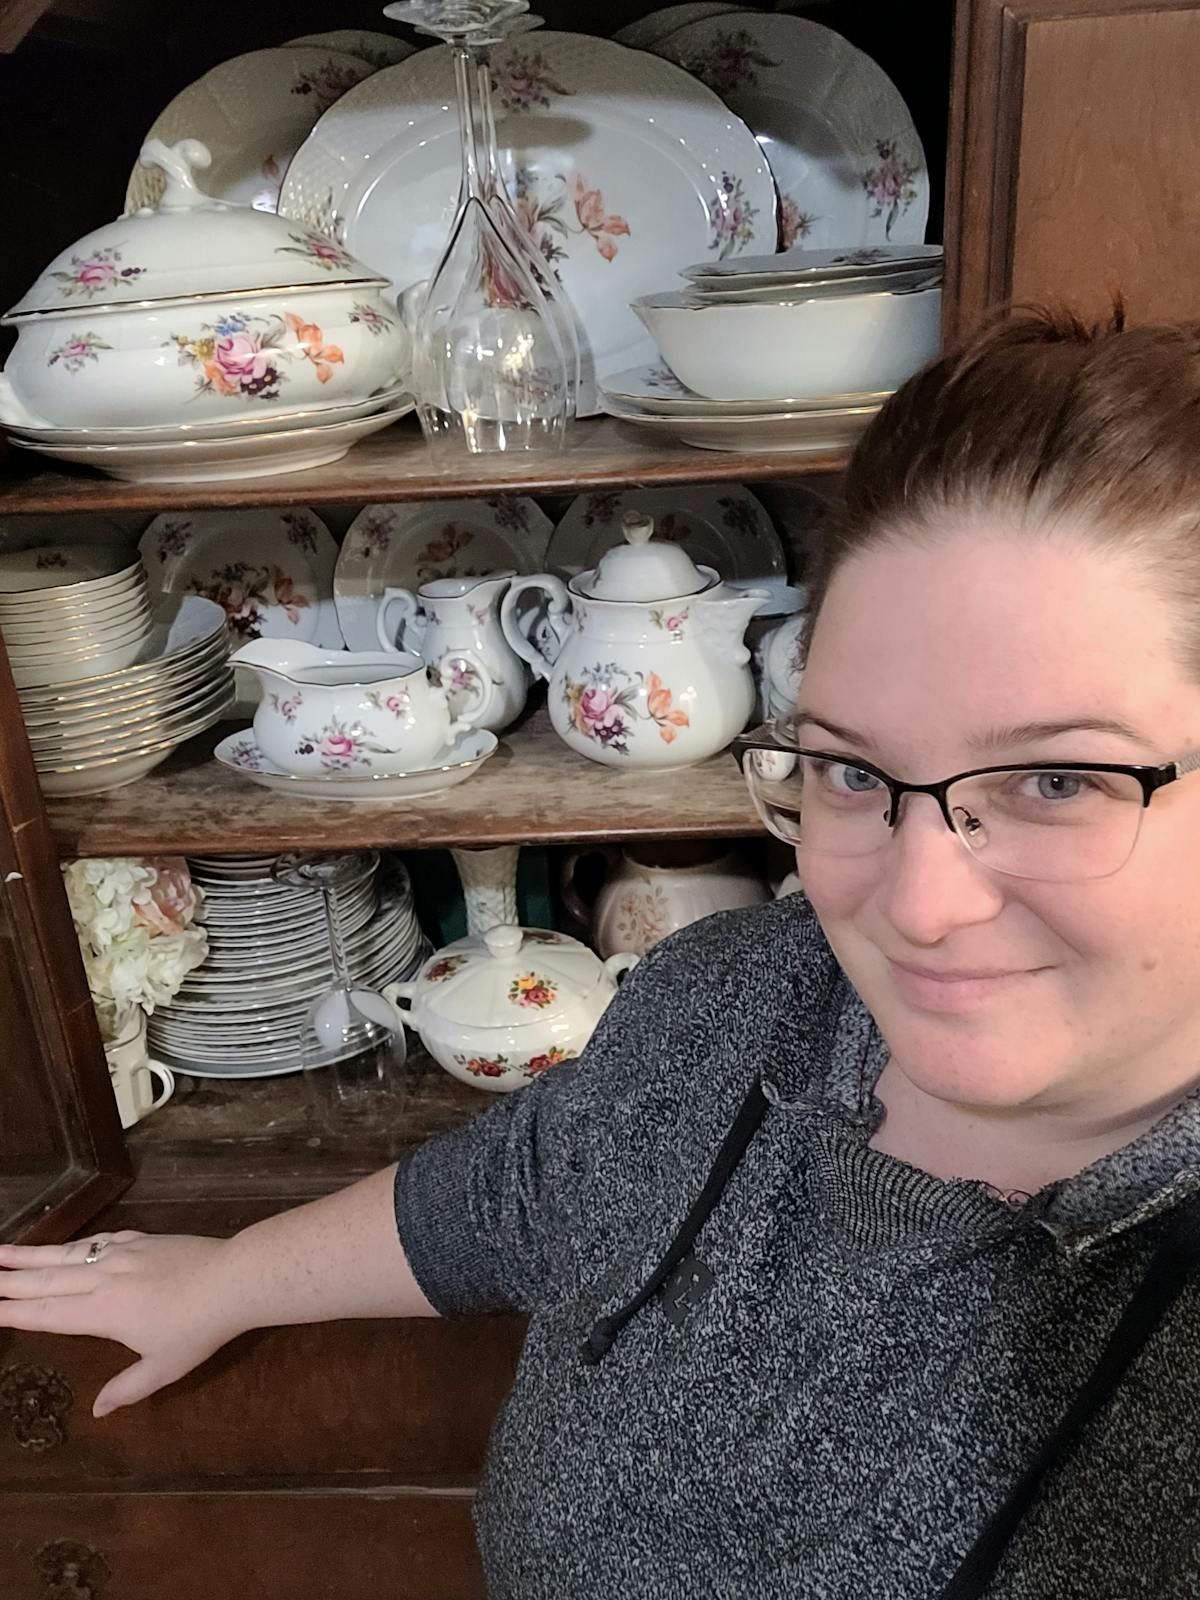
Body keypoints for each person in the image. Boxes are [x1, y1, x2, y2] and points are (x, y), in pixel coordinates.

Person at [4, 305, 1200, 1600]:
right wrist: (226, 1280)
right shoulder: (734, 999)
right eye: (853, 772)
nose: (918, 906)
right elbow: (526, 1187)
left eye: (1057, 782)